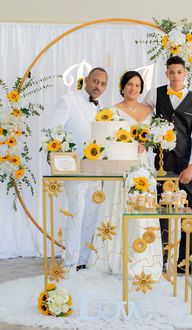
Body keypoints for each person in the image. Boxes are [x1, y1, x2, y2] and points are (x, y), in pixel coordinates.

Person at [89, 71, 163, 280]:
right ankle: (113, 257)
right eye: (129, 85)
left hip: (141, 166)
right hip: (119, 165)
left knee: (141, 206)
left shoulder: (149, 110)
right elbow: (105, 140)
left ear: (141, 89)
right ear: (123, 86)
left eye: (137, 86)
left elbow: (154, 138)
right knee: (117, 205)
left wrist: (146, 143)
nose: (133, 89)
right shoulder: (111, 111)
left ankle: (141, 257)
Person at [145, 56, 192, 275]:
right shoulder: (155, 94)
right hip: (163, 163)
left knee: (190, 212)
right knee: (162, 211)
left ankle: (185, 261)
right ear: (166, 73)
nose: (175, 76)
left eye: (179, 72)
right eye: (171, 72)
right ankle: (160, 259)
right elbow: (143, 120)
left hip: (187, 162)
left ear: (185, 73)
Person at [49, 67, 108, 270]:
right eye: (95, 81)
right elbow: (54, 130)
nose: (98, 86)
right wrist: (60, 157)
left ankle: (83, 260)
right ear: (86, 80)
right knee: (76, 213)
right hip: (74, 169)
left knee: (91, 215)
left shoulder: (102, 109)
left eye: (102, 84)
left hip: (96, 171)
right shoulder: (69, 99)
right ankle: (70, 262)